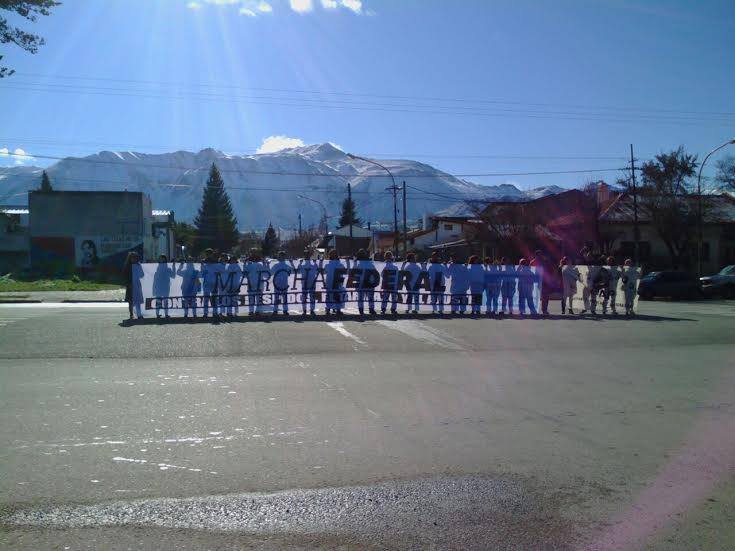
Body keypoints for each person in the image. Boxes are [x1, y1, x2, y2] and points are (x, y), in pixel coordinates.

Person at [292, 250, 321, 316]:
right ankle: (304, 310)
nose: (307, 256)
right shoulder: (303, 265)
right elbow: (296, 271)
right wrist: (299, 263)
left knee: (312, 297)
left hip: (311, 283)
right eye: (306, 255)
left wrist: (316, 263)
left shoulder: (312, 265)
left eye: (308, 255)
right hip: (305, 283)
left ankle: (312, 310)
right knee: (305, 297)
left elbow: (318, 270)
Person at [353, 249, 377, 316]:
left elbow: (354, 274)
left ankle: (361, 310)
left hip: (361, 284)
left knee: (361, 297)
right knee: (370, 297)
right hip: (370, 283)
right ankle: (371, 309)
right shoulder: (370, 264)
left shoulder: (358, 265)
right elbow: (375, 274)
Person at [270, 251, 293, 315]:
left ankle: (276, 310)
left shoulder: (276, 265)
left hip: (278, 283)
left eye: (280, 256)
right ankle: (284, 310)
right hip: (282, 283)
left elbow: (270, 273)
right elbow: (294, 271)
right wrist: (291, 263)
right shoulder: (286, 266)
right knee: (283, 297)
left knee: (278, 297)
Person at [324, 250, 346, 316]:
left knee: (331, 296)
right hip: (335, 283)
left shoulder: (328, 265)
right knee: (335, 296)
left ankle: (330, 309)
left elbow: (325, 271)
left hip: (332, 283)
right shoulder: (340, 265)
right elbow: (344, 271)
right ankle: (335, 309)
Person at [123, 251, 144, 319]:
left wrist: (138, 271)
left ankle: (139, 315)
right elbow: (125, 275)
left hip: (137, 284)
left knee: (137, 301)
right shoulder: (127, 266)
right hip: (130, 285)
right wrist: (128, 283)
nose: (133, 259)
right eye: (132, 257)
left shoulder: (138, 265)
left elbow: (142, 275)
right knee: (130, 301)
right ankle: (131, 315)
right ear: (130, 258)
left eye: (135, 257)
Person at [200, 249, 219, 318]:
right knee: (206, 299)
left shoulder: (216, 262)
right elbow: (201, 274)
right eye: (207, 254)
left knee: (214, 298)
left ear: (212, 254)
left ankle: (215, 312)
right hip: (206, 283)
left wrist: (217, 283)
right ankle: (205, 313)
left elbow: (218, 273)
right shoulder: (203, 263)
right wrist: (200, 285)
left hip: (214, 283)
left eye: (210, 253)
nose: (208, 255)